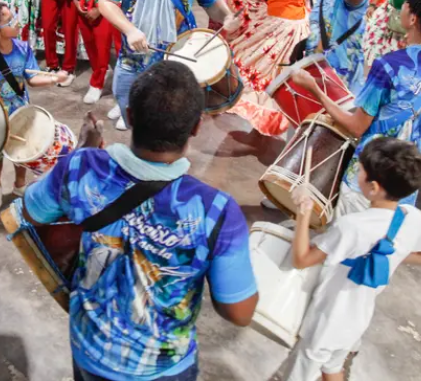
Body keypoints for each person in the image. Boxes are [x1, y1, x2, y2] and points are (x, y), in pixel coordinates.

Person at [22, 60, 258, 381]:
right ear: (195, 127)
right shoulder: (216, 210)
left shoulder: (79, 166)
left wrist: (82, 152)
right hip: (161, 369)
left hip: (90, 352)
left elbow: (31, 213)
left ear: (130, 115)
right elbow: (239, 312)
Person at [291, 0, 421, 214]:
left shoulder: (389, 66)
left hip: (366, 183)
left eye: (406, 4)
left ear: (413, 18)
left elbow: (356, 127)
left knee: (348, 235)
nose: (402, 7)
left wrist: (315, 89)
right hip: (405, 191)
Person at [289, 137, 421, 381]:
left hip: (328, 318)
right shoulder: (413, 217)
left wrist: (303, 212)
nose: (357, 175)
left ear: (373, 187)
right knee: (333, 367)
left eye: (360, 171)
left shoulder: (351, 226)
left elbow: (301, 259)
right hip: (359, 318)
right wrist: (395, 255)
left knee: (303, 371)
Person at [98, 0, 238, 131]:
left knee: (162, 118)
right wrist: (130, 30)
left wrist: (227, 16)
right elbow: (106, 2)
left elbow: (211, 4)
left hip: (175, 56)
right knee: (125, 100)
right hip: (134, 53)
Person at [0, 2, 67, 209]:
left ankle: (20, 184)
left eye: (14, 16)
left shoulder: (24, 49)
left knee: (22, 149)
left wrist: (53, 79)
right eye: (9, 21)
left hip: (21, 109)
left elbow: (32, 79)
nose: (17, 21)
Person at [227, 0, 313, 136]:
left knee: (251, 60)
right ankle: (270, 117)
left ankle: (255, 110)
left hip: (281, 26)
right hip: (294, 25)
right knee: (274, 71)